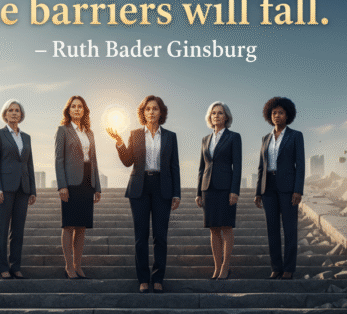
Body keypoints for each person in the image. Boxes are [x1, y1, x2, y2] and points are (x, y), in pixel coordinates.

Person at [107, 95, 180, 294]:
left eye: (155, 109)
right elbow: (128, 161)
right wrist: (120, 142)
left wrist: (177, 193)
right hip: (139, 187)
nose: (151, 112)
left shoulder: (170, 136)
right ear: (143, 112)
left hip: (162, 187)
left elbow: (175, 166)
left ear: (161, 112)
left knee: (160, 237)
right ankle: (143, 278)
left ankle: (157, 278)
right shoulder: (135, 134)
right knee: (141, 237)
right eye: (147, 109)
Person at [254, 97, 304, 280]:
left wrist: (298, 190)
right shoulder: (265, 138)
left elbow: (301, 165)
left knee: (290, 229)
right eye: (274, 113)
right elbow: (261, 166)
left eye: (280, 112)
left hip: (288, 188)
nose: (277, 115)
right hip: (268, 188)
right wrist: (258, 191)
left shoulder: (295, 136)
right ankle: (276, 267)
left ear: (287, 115)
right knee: (272, 229)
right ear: (269, 115)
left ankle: (289, 268)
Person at [55, 96, 102, 279]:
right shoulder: (63, 131)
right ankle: (68, 266)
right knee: (68, 225)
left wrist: (97, 187)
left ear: (84, 110)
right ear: (68, 110)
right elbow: (59, 159)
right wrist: (62, 185)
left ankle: (78, 265)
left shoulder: (89, 133)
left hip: (87, 182)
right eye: (73, 107)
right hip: (70, 183)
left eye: (80, 107)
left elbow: (94, 160)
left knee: (81, 227)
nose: (76, 109)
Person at [0, 99, 37, 280]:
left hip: (23, 188)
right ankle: (3, 267)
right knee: (2, 229)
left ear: (21, 114)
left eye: (17, 110)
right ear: (5, 114)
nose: (14, 113)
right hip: (5, 188)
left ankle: (15, 266)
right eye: (11, 110)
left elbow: (29, 164)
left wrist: (32, 189)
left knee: (18, 230)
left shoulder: (26, 137)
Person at [196, 101, 242, 280]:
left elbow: (237, 166)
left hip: (225, 188)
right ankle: (216, 267)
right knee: (213, 229)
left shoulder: (234, 137)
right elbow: (202, 167)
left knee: (226, 228)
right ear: (210, 117)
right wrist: (199, 192)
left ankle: (225, 267)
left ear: (226, 117)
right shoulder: (205, 140)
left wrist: (234, 191)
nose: (216, 116)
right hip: (208, 188)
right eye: (213, 113)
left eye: (220, 113)